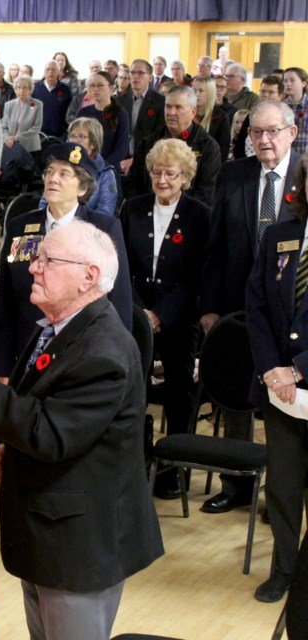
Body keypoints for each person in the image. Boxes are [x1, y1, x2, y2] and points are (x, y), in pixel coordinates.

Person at [0, 220, 163, 640]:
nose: (34, 267)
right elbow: (43, 412)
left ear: (89, 276)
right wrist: (9, 453)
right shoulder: (60, 330)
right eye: (37, 258)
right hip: (50, 533)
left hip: (79, 546)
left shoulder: (103, 349)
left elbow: (51, 434)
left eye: (48, 260)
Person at [200, 100, 300, 515]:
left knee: (288, 409)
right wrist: (209, 307)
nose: (263, 140)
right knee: (236, 398)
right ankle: (236, 483)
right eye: (255, 132)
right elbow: (216, 246)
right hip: (240, 308)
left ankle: (282, 493)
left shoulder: (304, 176)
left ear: (292, 133)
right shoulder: (234, 174)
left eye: (272, 131)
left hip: (294, 315)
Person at [0, 143, 133, 378]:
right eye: (50, 172)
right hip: (25, 354)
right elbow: (5, 301)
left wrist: (118, 359)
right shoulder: (22, 227)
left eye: (64, 174)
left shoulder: (102, 229)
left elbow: (119, 299)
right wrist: (2, 367)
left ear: (82, 188)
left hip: (82, 356)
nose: (53, 179)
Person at [120, 139, 209, 497]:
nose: (162, 179)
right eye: (156, 172)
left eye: (170, 174)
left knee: (179, 392)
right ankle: (134, 465)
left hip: (179, 316)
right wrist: (142, 312)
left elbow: (197, 276)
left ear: (185, 177)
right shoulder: (133, 208)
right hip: (138, 314)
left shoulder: (200, 214)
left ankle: (175, 470)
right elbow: (121, 262)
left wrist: (162, 314)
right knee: (134, 389)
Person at [246, 152, 308, 604]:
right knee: (283, 486)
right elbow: (257, 306)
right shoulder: (280, 235)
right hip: (280, 390)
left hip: (301, 375)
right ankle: (284, 571)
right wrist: (271, 367)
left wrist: (300, 367)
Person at [131, 86, 222, 206]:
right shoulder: (149, 143)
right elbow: (133, 183)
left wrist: (172, 208)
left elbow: (206, 192)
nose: (171, 112)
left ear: (193, 112)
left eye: (178, 107)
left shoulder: (208, 147)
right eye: (168, 106)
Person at [40, 118, 119, 217]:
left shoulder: (105, 172)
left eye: (81, 136)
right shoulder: (59, 165)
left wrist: (76, 226)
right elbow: (44, 202)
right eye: (72, 136)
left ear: (93, 143)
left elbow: (105, 211)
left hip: (88, 228)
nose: (75, 140)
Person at [119, 59, 167, 195]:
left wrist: (136, 160)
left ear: (150, 77)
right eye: (132, 72)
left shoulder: (160, 102)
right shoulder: (120, 100)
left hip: (147, 163)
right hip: (121, 163)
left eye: (141, 73)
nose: (135, 76)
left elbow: (159, 136)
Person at [77, 71, 130, 171]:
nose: (95, 89)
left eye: (100, 85)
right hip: (84, 169)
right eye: (92, 85)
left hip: (109, 169)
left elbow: (121, 148)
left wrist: (102, 167)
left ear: (111, 88)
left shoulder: (120, 113)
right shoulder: (83, 112)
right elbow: (75, 142)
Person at [3, 76, 43, 158]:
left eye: (25, 88)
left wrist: (16, 138)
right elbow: (4, 127)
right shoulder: (9, 105)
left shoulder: (37, 104)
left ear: (30, 90)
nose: (22, 90)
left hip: (30, 147)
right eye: (19, 87)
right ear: (15, 89)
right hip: (10, 145)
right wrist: (7, 138)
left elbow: (36, 128)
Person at [192, 75, 231, 160]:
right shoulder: (186, 112)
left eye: (201, 91)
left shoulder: (221, 116)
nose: (197, 94)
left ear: (210, 92)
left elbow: (223, 149)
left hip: (210, 164)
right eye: (194, 90)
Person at [32, 61, 71, 139]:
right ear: (44, 71)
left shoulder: (65, 89)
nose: (50, 72)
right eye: (48, 69)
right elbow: (30, 107)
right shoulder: (35, 88)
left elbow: (69, 111)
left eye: (53, 69)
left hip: (59, 134)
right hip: (38, 133)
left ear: (58, 72)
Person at [283, 67, 308, 156]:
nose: (288, 84)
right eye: (285, 81)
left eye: (292, 80)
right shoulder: (280, 107)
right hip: (285, 158)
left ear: (304, 83)